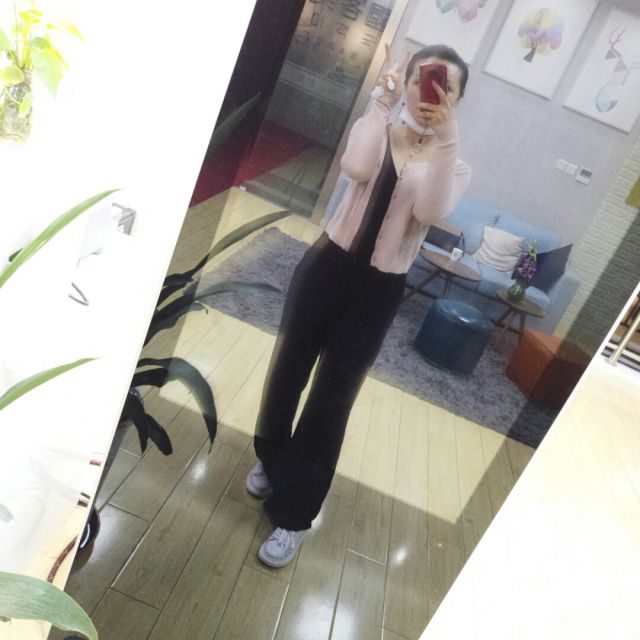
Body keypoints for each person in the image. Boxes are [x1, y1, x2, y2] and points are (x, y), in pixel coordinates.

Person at [246, 44, 472, 568]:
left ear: (458, 100)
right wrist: (380, 103)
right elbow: (354, 165)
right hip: (326, 266)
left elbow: (428, 210)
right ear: (407, 82)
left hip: (377, 291)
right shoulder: (380, 126)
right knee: (288, 371)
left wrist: (446, 137)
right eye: (420, 81)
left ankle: (294, 514)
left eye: (445, 88)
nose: (429, 94)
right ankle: (273, 461)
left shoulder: (455, 165)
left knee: (333, 398)